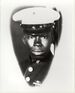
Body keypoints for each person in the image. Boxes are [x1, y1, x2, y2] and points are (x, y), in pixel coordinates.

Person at [12, 6, 62, 86]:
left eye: (44, 37)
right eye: (31, 37)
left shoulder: (59, 69)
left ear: (52, 38)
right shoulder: (17, 67)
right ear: (24, 39)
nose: (37, 43)